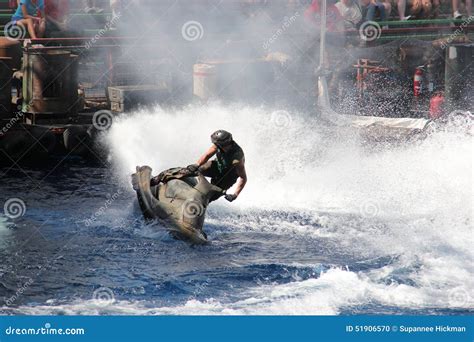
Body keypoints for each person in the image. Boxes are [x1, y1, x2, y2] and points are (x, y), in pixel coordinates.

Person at [187, 130, 247, 203]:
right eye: (216, 144)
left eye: (218, 144)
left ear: (224, 144)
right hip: (216, 166)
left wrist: (235, 195)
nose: (216, 145)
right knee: (195, 170)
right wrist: (196, 165)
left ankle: (195, 205)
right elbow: (207, 155)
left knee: (208, 196)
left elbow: (243, 178)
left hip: (227, 178)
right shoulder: (218, 145)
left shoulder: (237, 157)